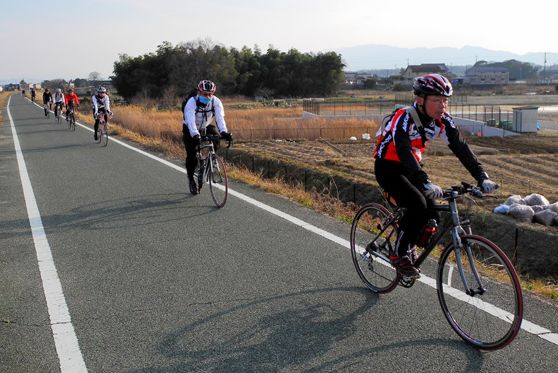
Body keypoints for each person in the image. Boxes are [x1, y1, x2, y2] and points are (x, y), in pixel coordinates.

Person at [373, 74, 497, 279]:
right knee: (417, 204)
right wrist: (424, 181)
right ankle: (399, 253)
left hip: (412, 167)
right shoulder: (403, 117)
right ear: (420, 99)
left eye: (445, 101)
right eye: (437, 100)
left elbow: (460, 147)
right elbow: (403, 148)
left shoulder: (442, 121)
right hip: (388, 167)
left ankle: (409, 241)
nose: (442, 105)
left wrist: (481, 176)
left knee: (431, 215)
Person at [182, 80, 232, 195]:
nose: (208, 97)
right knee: (191, 156)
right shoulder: (191, 102)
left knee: (217, 137)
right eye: (205, 94)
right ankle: (191, 180)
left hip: (206, 125)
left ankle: (212, 159)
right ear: (199, 92)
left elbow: (220, 118)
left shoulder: (216, 101)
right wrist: (195, 135)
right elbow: (190, 121)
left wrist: (224, 132)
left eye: (210, 94)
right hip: (190, 127)